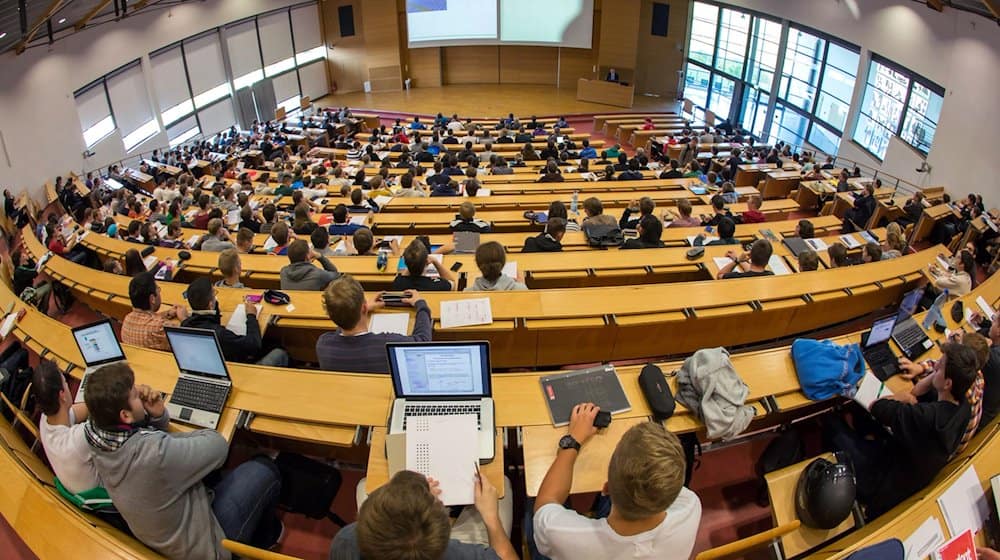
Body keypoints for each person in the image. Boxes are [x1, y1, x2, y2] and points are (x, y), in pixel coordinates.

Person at [84, 362, 283, 557]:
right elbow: (218, 446)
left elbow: (150, 442)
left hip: (169, 535)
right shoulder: (155, 453)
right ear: (125, 415)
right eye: (134, 394)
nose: (140, 390)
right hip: (207, 546)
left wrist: (157, 416)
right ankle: (265, 540)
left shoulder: (97, 435)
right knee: (264, 469)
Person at [826, 343, 976, 519]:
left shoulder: (926, 416)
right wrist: (935, 377)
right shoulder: (964, 407)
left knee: (831, 423)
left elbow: (878, 406)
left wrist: (902, 397)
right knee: (865, 418)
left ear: (948, 383)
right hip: (903, 465)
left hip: (881, 482)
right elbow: (919, 394)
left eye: (940, 366)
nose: (935, 366)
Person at [531, 411, 701, 560]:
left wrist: (573, 440)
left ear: (606, 488)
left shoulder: (558, 534)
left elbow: (545, 502)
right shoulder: (691, 507)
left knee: (530, 502)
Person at [329, 470, 517, 560]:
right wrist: (491, 517)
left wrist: (409, 493)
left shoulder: (346, 540)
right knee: (503, 487)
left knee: (364, 485)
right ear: (443, 536)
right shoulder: (461, 555)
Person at [317, 276, 431, 373]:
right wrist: (421, 305)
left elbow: (342, 321)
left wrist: (358, 309)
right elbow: (423, 340)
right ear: (364, 307)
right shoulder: (387, 345)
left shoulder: (323, 344)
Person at [181, 277, 289, 366]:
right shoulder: (220, 334)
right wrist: (251, 315)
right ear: (210, 304)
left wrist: (185, 317)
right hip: (237, 368)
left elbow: (204, 319)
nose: (215, 296)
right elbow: (253, 345)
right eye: (214, 294)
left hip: (212, 362)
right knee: (279, 352)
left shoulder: (186, 324)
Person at [33, 360, 100, 496]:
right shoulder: (78, 439)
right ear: (62, 394)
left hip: (83, 491)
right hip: (107, 494)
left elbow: (81, 410)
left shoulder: (46, 421)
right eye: (65, 382)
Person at [120, 272, 187, 351]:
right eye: (158, 289)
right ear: (152, 299)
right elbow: (189, 340)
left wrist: (167, 313)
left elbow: (146, 319)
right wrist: (184, 319)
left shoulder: (127, 319)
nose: (159, 292)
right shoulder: (161, 327)